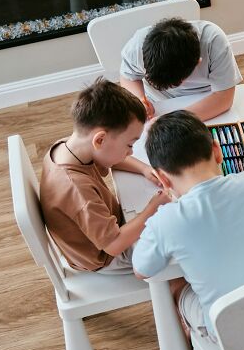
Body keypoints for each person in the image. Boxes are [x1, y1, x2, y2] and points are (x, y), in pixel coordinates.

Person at [131, 110, 244, 341]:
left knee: (175, 283)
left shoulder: (165, 221)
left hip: (238, 341)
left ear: (163, 178)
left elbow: (142, 270)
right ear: (217, 150)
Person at [40, 78, 171, 273]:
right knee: (177, 245)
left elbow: (107, 156)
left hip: (106, 229)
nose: (131, 152)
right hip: (108, 257)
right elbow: (115, 244)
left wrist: (144, 169)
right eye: (129, 145)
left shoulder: (69, 147)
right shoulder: (77, 190)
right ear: (100, 139)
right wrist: (153, 209)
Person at [119, 17, 242, 121]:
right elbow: (128, 77)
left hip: (206, 98)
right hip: (157, 101)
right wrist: (140, 99)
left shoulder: (214, 42)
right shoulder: (136, 47)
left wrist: (172, 120)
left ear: (198, 62)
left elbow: (224, 99)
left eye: (176, 83)